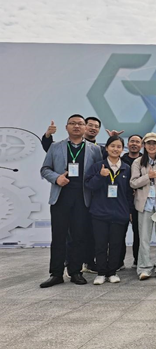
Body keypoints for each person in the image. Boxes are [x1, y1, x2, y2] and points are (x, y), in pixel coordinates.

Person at [39, 114, 103, 288]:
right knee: (58, 237)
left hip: (83, 199)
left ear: (85, 128)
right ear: (66, 127)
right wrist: (56, 178)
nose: (76, 126)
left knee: (79, 236)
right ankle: (56, 274)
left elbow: (98, 172)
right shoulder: (56, 147)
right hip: (61, 198)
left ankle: (75, 271)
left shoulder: (94, 150)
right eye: (72, 123)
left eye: (80, 124)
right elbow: (45, 169)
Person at [85, 136, 134, 285]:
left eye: (119, 146)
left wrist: (129, 211)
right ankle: (101, 273)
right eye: (112, 146)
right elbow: (89, 185)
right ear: (106, 148)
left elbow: (129, 193)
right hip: (99, 213)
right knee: (100, 244)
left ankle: (112, 272)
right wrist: (100, 176)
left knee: (116, 244)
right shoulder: (97, 166)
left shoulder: (126, 168)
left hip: (119, 213)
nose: (115, 149)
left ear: (122, 149)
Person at [130, 132, 156, 280]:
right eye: (149, 143)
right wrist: (148, 177)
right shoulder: (138, 162)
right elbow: (133, 183)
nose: (152, 146)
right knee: (144, 238)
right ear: (144, 145)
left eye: (155, 143)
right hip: (144, 204)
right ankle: (144, 267)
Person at [120, 134, 143, 269]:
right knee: (119, 233)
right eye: (132, 141)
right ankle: (118, 262)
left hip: (139, 201)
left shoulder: (145, 161)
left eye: (137, 142)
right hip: (122, 202)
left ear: (142, 145)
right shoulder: (120, 160)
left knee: (139, 233)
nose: (134, 144)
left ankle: (138, 260)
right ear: (127, 144)